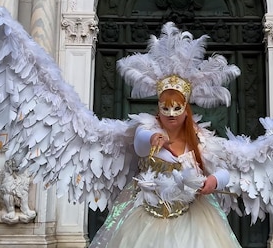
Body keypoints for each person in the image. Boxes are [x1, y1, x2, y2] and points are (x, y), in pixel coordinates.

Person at [89, 81, 241, 247]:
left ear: (186, 111)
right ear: (159, 110)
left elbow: (223, 172)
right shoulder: (146, 129)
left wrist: (214, 180)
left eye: (177, 108)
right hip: (145, 214)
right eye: (165, 108)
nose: (171, 114)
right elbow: (140, 145)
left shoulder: (200, 140)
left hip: (192, 216)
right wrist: (152, 138)